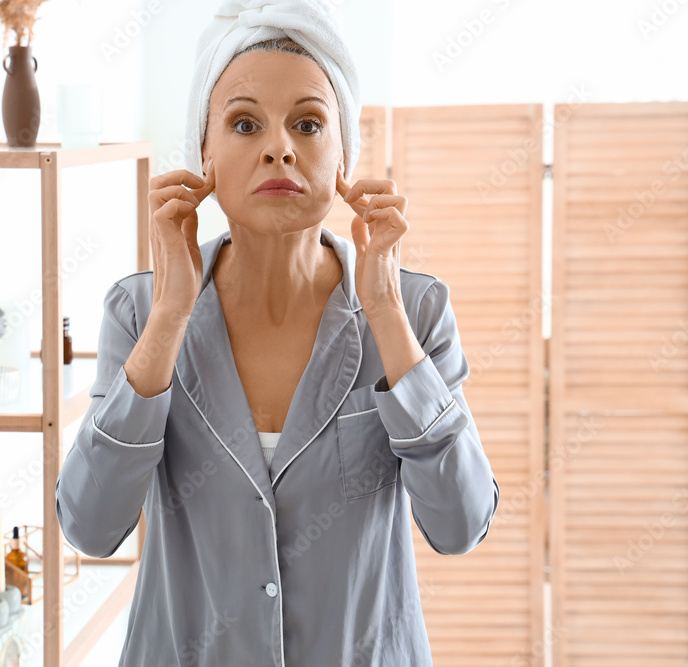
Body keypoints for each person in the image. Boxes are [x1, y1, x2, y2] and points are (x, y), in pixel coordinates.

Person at [55, 1, 500, 665]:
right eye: (243, 122)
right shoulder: (137, 310)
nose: (279, 147)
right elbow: (91, 526)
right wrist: (173, 313)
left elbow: (460, 524)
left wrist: (381, 306)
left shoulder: (416, 310)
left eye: (308, 123)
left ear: (344, 152)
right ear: (202, 153)